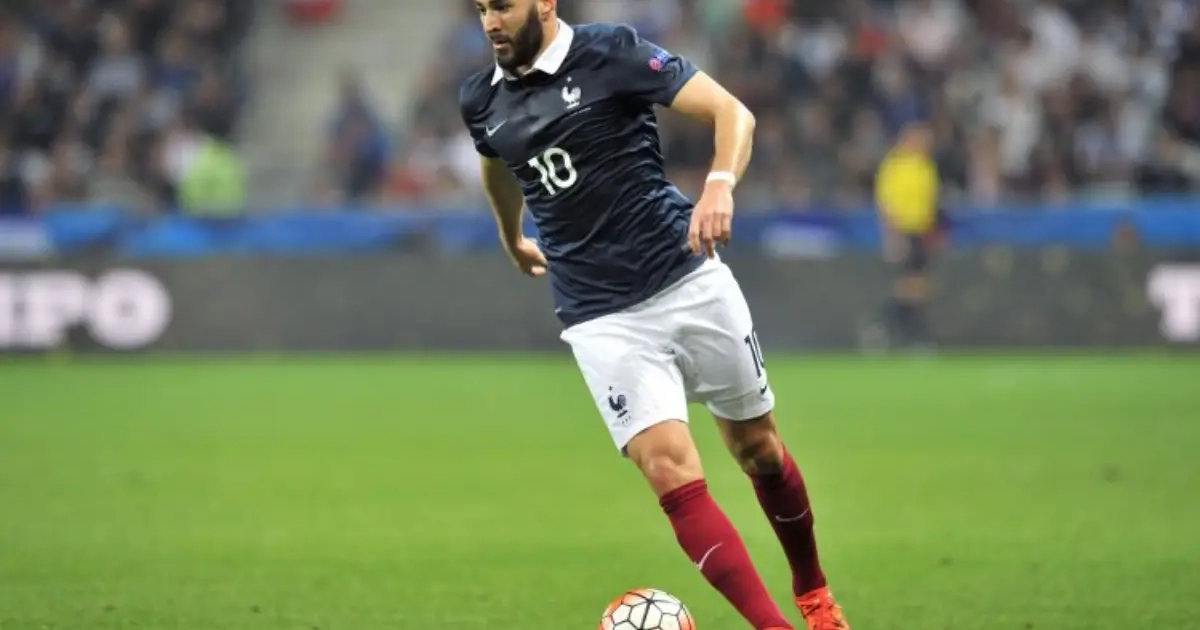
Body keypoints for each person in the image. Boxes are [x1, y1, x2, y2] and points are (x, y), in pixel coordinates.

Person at [459, 2, 850, 629]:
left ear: (546, 3)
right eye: (481, 8)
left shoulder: (610, 51)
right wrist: (512, 235)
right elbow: (496, 160)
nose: (489, 22)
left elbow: (733, 112)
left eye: (502, 5)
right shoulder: (481, 97)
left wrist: (719, 183)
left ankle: (814, 592)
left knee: (759, 450)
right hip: (599, 315)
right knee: (668, 467)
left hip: (685, 274)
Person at [873, 122, 942, 349]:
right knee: (912, 284)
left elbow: (931, 200)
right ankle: (894, 327)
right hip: (904, 231)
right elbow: (885, 202)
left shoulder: (925, 165)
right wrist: (891, 234)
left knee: (918, 285)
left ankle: (893, 328)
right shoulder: (894, 165)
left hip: (922, 231)